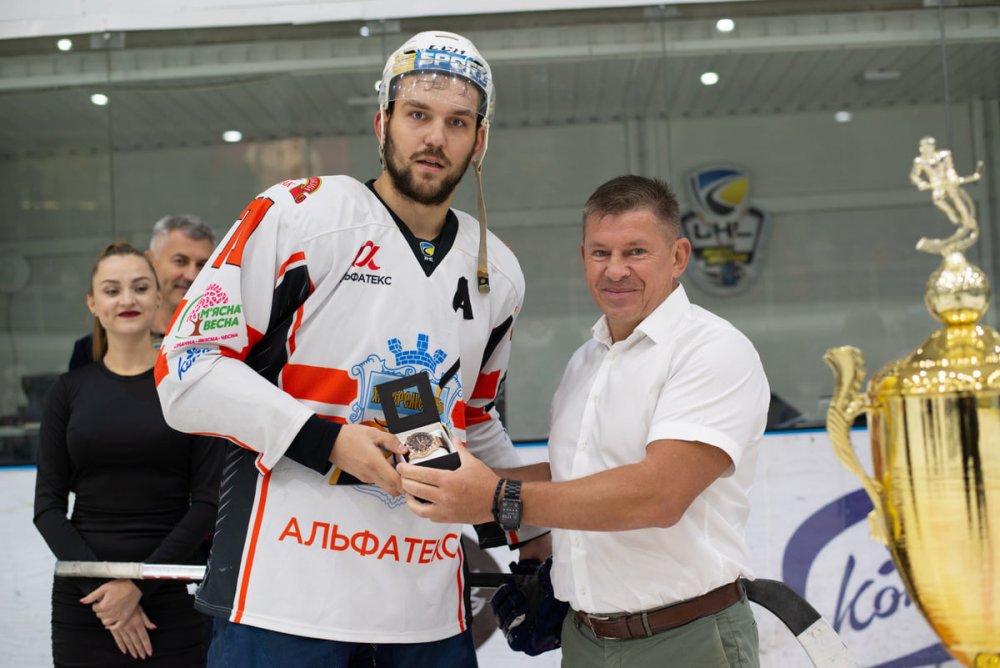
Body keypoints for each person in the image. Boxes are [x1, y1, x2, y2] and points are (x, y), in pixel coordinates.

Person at [155, 30, 546, 667]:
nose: (435, 137)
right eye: (417, 114)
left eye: (457, 122)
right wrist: (328, 441)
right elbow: (186, 367)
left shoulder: (497, 271)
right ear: (382, 123)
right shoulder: (299, 214)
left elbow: (473, 421)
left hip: (426, 611)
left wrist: (532, 535)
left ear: (480, 141)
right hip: (284, 601)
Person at [399, 175, 770, 667]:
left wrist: (495, 497)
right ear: (583, 257)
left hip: (687, 640)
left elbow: (659, 495)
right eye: (600, 253)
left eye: (635, 252)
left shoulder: (712, 349)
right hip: (585, 640)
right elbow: (574, 476)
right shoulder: (586, 361)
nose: (615, 270)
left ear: (678, 256)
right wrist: (434, 472)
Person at [34, 242, 223, 667]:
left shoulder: (189, 390)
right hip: (86, 600)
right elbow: (46, 507)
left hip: (171, 591)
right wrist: (106, 591)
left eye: (139, 287)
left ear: (158, 297)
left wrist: (138, 586)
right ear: (93, 303)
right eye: (112, 290)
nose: (127, 300)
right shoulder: (67, 392)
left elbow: (208, 503)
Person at [69, 215, 216, 370]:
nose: (191, 275)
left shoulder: (221, 343)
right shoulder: (90, 351)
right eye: (180, 261)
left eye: (202, 265)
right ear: (150, 260)